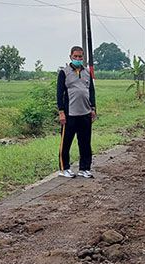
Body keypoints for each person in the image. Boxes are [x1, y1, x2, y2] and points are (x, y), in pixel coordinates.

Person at [57, 46, 96, 179]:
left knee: (85, 142)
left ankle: (84, 168)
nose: (78, 59)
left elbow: (91, 91)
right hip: (70, 114)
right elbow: (59, 93)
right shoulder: (64, 72)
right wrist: (61, 111)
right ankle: (64, 168)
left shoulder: (86, 72)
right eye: (76, 57)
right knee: (66, 142)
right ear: (70, 57)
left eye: (80, 57)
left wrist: (93, 108)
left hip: (85, 113)